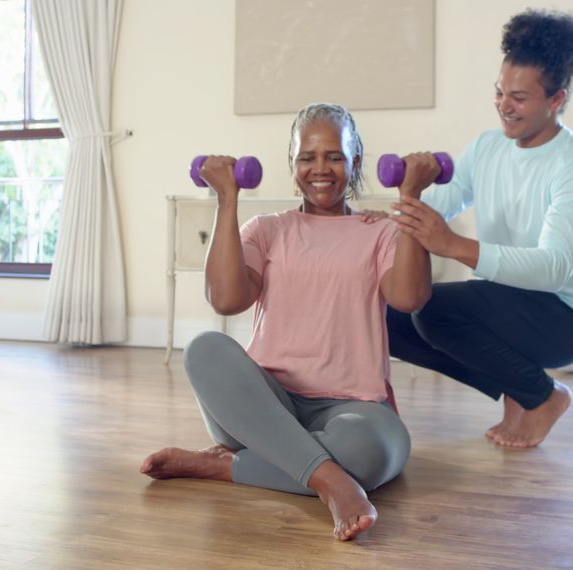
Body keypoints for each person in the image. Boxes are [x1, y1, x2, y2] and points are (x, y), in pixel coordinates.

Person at [141, 103, 435, 541]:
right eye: (307, 157)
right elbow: (225, 299)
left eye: (335, 156)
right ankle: (332, 481)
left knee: (375, 453)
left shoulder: (381, 232)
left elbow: (409, 296)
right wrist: (227, 200)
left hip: (352, 407)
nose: (321, 169)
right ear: (291, 163)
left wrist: (410, 200)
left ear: (356, 160)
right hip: (266, 404)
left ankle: (222, 466)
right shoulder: (267, 229)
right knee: (205, 347)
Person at [385, 9, 573, 449]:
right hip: (504, 305)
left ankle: (543, 396)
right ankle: (520, 388)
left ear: (557, 99)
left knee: (432, 310)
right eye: (500, 93)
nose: (505, 106)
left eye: (520, 97)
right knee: (388, 314)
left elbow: (552, 270)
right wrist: (392, 209)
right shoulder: (487, 148)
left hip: (564, 316)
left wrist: (451, 245)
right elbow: (439, 206)